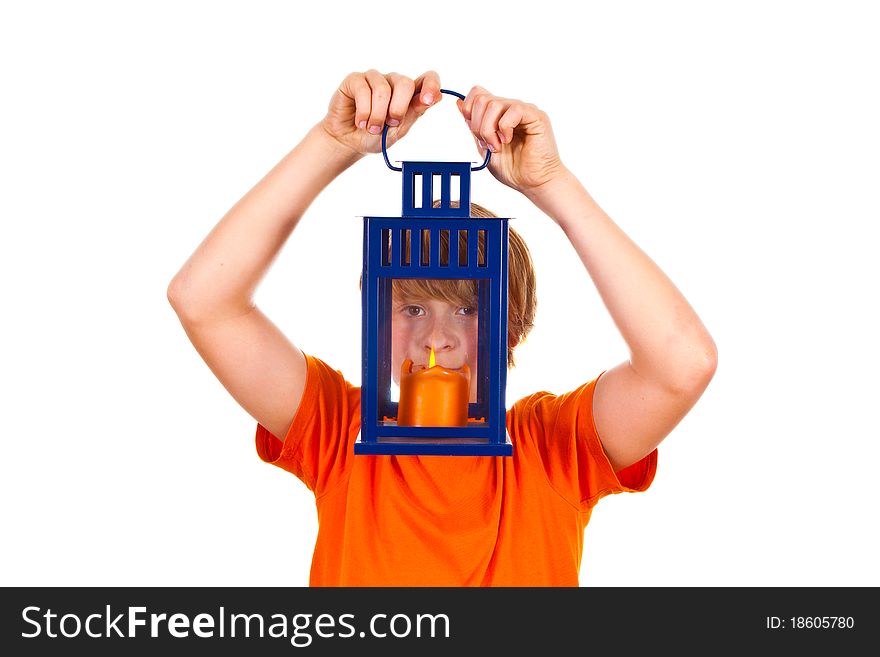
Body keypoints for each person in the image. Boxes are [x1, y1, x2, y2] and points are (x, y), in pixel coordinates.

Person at [167, 69, 718, 586]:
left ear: (512, 330)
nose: (437, 339)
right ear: (378, 327)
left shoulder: (551, 448)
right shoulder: (341, 433)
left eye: (467, 308)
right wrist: (331, 145)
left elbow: (682, 363)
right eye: (412, 309)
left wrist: (552, 186)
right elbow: (203, 300)